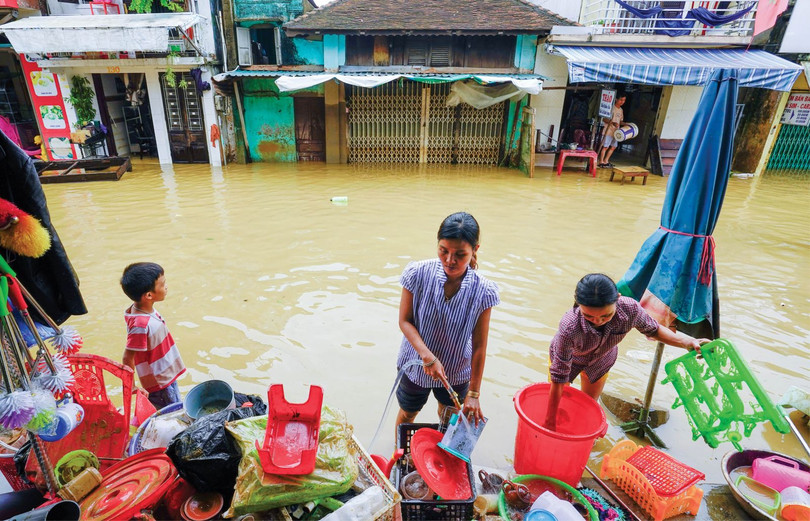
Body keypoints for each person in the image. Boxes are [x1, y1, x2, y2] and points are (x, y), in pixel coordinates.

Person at [543, 273, 709, 431]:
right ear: (578, 304)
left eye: (606, 316)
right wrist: (549, 421)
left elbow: (653, 330)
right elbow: (559, 377)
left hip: (601, 361)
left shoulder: (630, 309)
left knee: (588, 404)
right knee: (561, 401)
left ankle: (583, 432)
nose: (598, 321)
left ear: (618, 298)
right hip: (568, 360)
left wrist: (687, 342)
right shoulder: (569, 327)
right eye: (589, 316)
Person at [395, 212, 500, 428]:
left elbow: (479, 346)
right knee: (407, 414)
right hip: (416, 365)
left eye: (460, 254)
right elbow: (405, 321)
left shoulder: (483, 291)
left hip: (457, 370)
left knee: (448, 417)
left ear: (475, 250)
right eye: (443, 251)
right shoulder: (417, 273)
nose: (450, 260)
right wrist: (427, 356)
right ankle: (399, 448)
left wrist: (474, 393)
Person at [121, 262, 186, 409]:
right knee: (171, 411)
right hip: (160, 381)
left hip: (164, 373)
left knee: (174, 404)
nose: (166, 287)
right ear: (149, 295)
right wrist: (131, 385)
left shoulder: (143, 309)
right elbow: (127, 357)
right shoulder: (140, 325)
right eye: (163, 284)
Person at [597, 94, 626, 168]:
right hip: (608, 131)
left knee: (613, 147)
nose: (622, 102)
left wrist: (626, 124)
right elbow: (604, 119)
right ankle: (601, 161)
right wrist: (612, 123)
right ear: (616, 99)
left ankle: (606, 161)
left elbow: (620, 121)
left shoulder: (621, 110)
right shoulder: (611, 108)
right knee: (605, 147)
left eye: (624, 100)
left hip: (616, 132)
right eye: (621, 100)